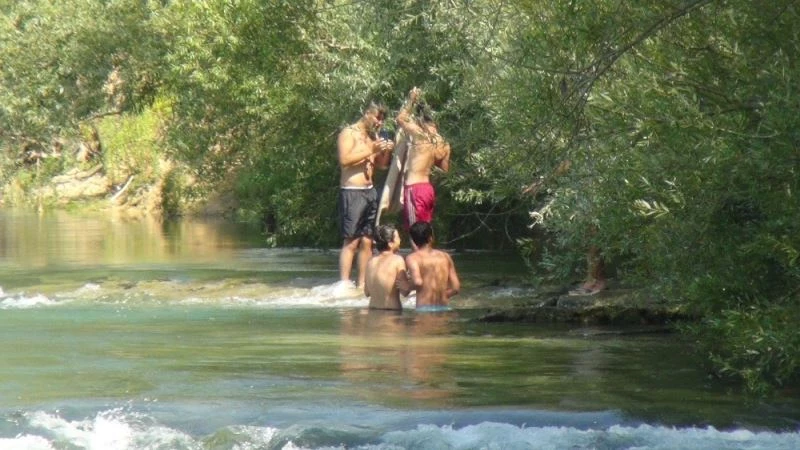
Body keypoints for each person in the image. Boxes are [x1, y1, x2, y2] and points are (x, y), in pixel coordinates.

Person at [337, 102, 395, 289]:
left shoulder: (373, 136)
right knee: (351, 241)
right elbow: (345, 160)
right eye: (377, 118)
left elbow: (382, 165)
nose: (379, 123)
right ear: (366, 113)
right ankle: (344, 284)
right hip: (352, 191)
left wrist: (386, 150)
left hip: (370, 191)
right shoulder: (349, 133)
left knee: (368, 241)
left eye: (382, 120)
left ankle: (362, 284)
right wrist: (372, 149)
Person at [395, 88, 451, 231]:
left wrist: (411, 100)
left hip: (415, 189)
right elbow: (444, 171)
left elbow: (400, 119)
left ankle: (418, 254)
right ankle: (428, 253)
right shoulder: (444, 144)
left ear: (423, 123)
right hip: (428, 190)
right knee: (426, 230)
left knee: (416, 231)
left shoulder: (421, 134)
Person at [405, 221, 460, 308]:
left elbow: (417, 282)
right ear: (431, 238)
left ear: (414, 241)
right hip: (443, 307)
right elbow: (456, 288)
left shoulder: (412, 258)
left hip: (424, 308)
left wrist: (406, 286)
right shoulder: (445, 256)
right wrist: (441, 296)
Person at [364, 224, 410, 310]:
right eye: (398, 238)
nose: (400, 240)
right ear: (390, 244)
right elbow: (405, 291)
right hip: (391, 313)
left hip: (372, 312)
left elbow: (367, 292)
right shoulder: (397, 260)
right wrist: (410, 281)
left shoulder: (370, 262)